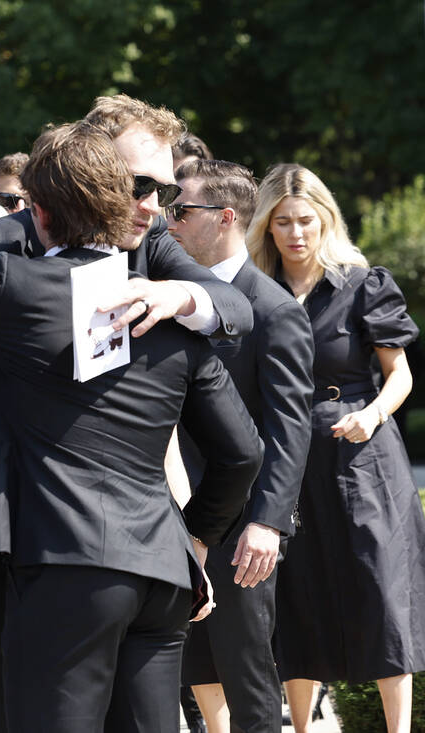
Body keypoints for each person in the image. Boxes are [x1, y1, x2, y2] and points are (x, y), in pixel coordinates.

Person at [0, 120, 262, 733]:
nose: (152, 206)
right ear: (106, 185)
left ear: (44, 206)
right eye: (139, 186)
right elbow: (241, 453)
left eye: (162, 190)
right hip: (61, 558)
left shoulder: (160, 287)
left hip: (60, 563)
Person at [247, 163, 425, 733]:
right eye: (283, 223)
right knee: (297, 592)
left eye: (306, 220)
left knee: (380, 589)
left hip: (362, 454)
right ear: (267, 229)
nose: (297, 233)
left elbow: (399, 376)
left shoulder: (364, 282)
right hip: (284, 455)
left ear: (325, 221)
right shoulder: (252, 291)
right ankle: (300, 728)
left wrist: (371, 414)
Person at [167, 159, 315, 733]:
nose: (169, 222)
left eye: (182, 210)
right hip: (173, 513)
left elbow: (288, 427)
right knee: (191, 665)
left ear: (226, 217)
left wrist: (269, 524)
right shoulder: (175, 297)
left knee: (246, 671)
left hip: (241, 531)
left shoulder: (273, 310)